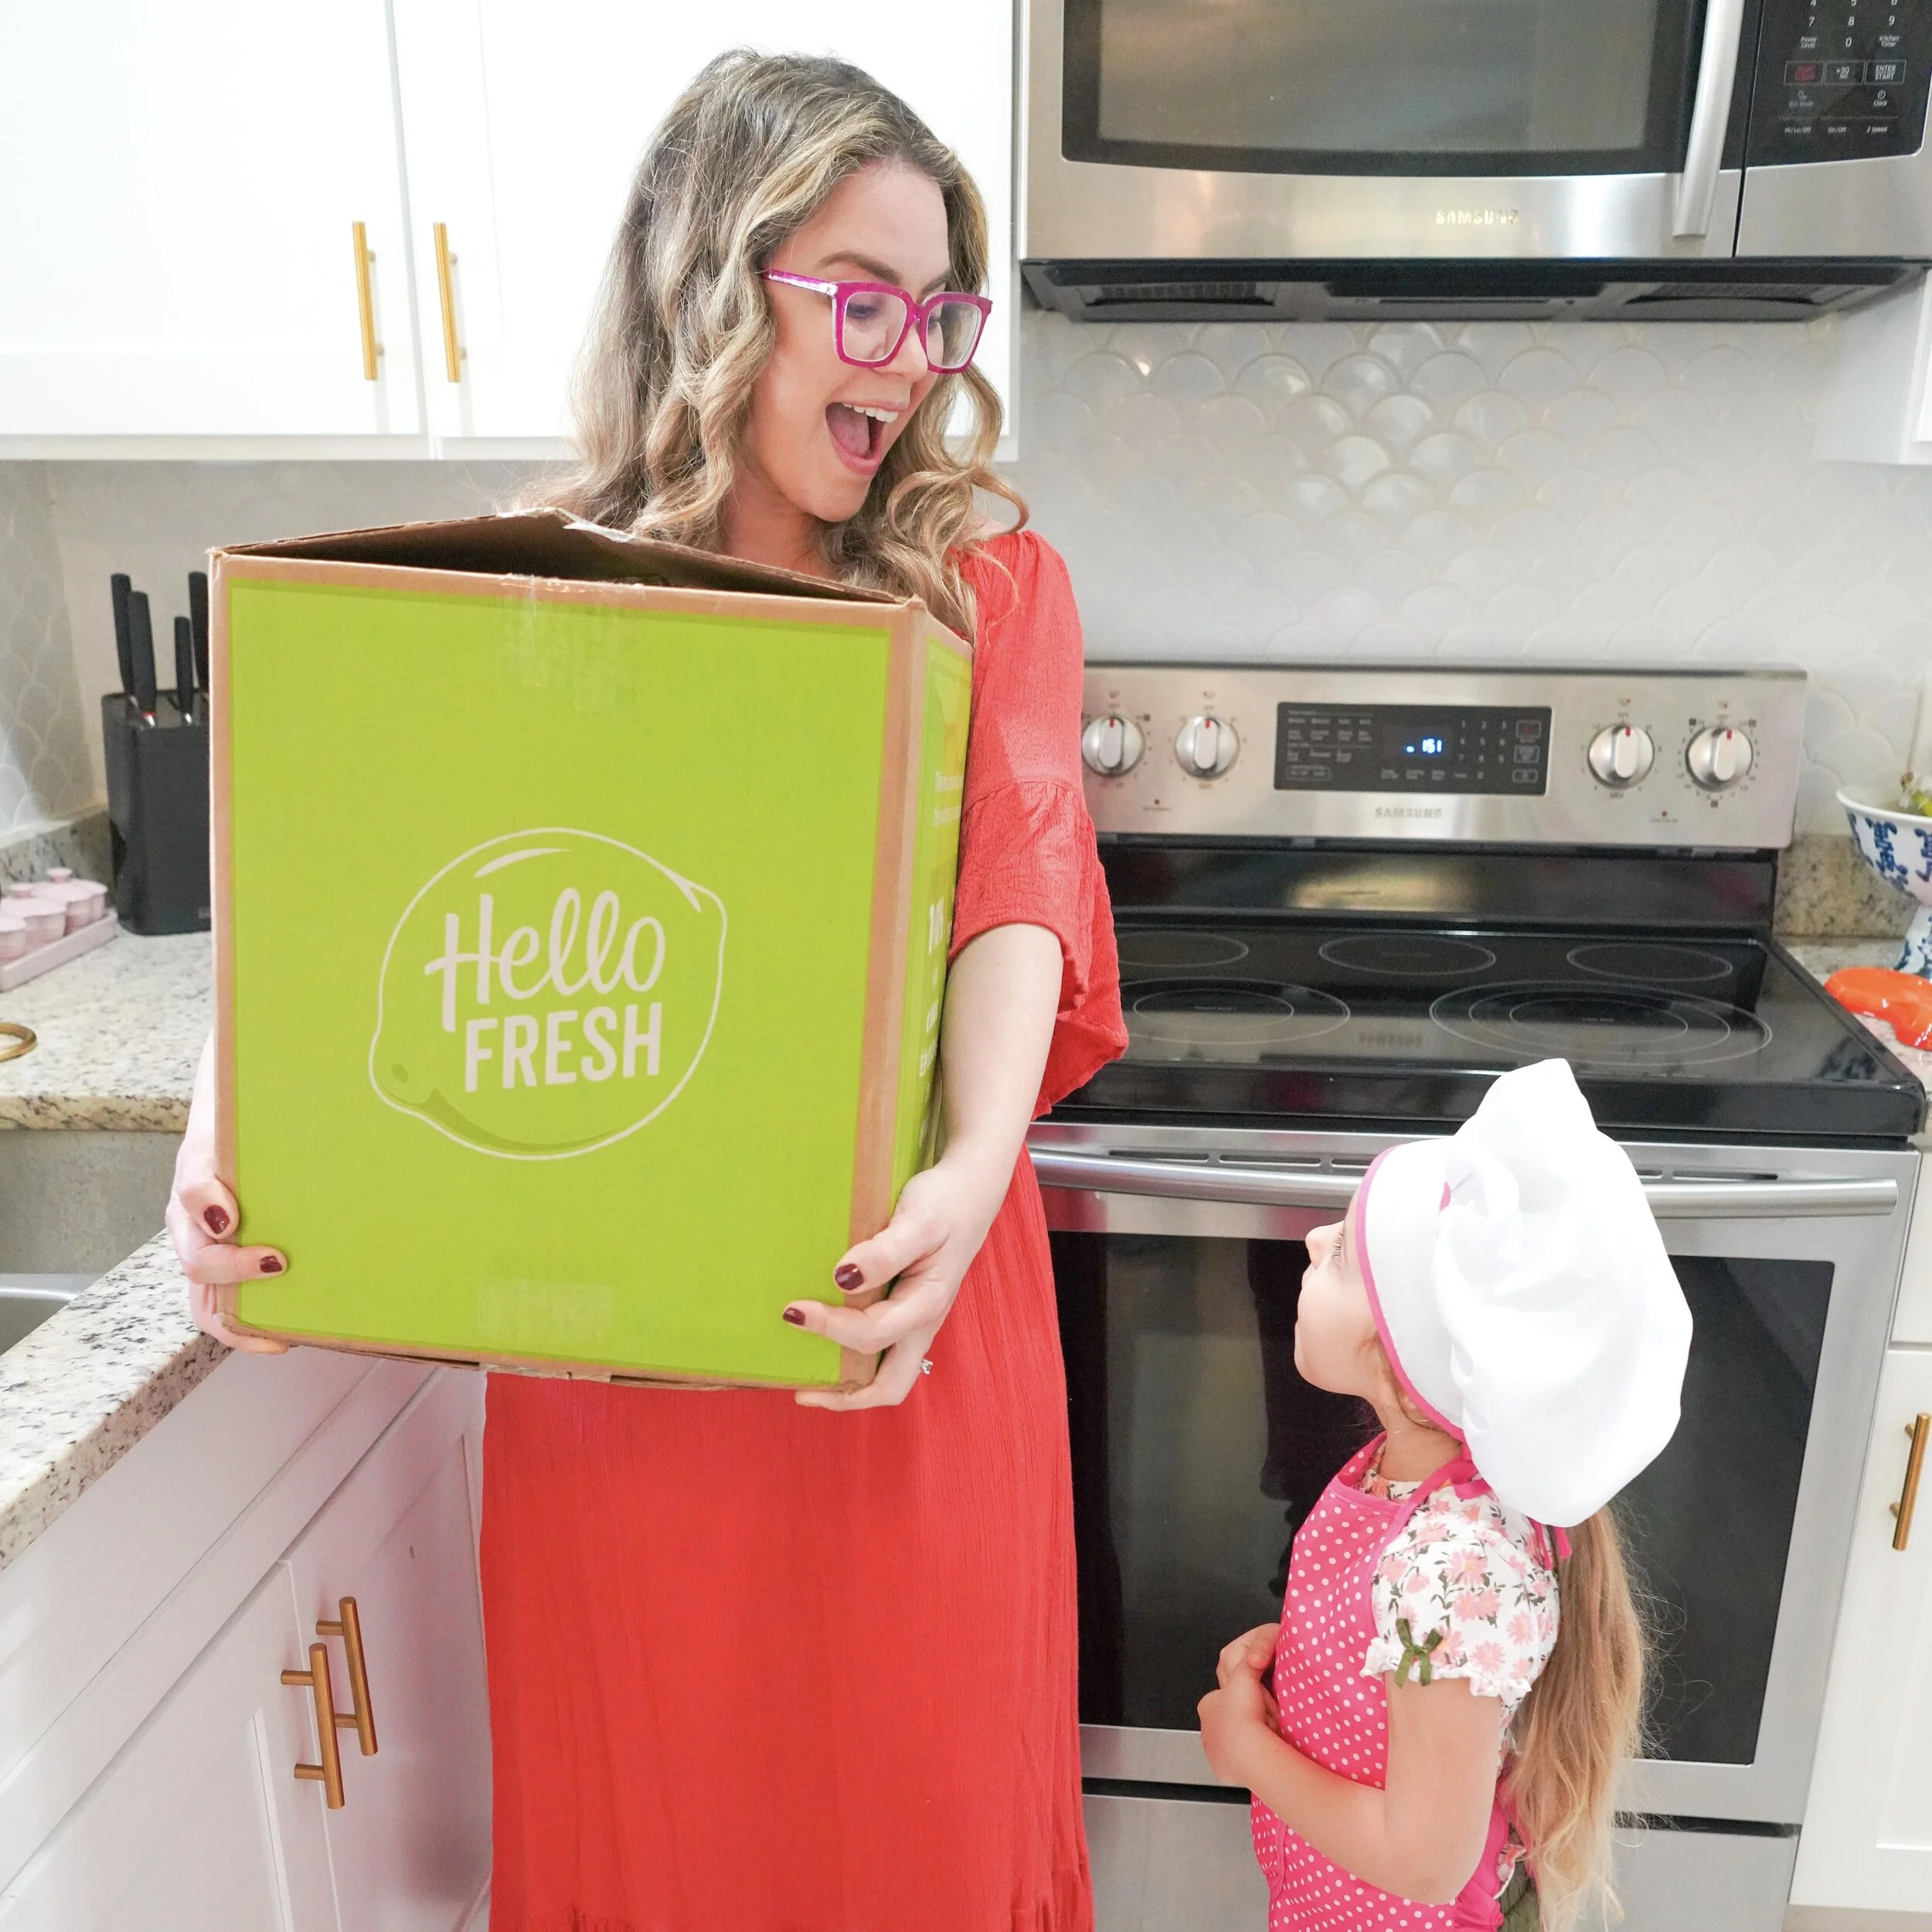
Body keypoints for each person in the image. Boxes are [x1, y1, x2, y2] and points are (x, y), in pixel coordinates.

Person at [166, 49, 1126, 1932]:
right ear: (711, 284)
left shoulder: (990, 582)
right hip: (620, 1395)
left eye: (938, 313)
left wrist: (970, 1166)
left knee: (914, 1846)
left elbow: (1015, 881)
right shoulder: (536, 592)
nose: (907, 361)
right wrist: (231, 1150)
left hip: (892, 1337)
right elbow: (343, 876)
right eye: (861, 301)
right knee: (655, 1845)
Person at [1197, 1058, 1693, 1931]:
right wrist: (1304, 1661)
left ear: (1401, 1357)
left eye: (1344, 1256)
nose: (1312, 1240)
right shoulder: (1403, 1481)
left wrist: (1247, 1752)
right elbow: (1402, 1663)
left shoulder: (1455, 1568)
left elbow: (1425, 1863)